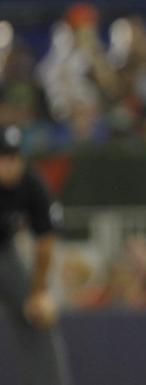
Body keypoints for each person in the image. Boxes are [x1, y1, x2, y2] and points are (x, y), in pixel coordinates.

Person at [0, 126, 72, 385]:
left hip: (5, 253)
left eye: (15, 157)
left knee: (39, 315)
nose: (12, 165)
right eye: (5, 158)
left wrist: (38, 291)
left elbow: (45, 240)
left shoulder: (30, 183)